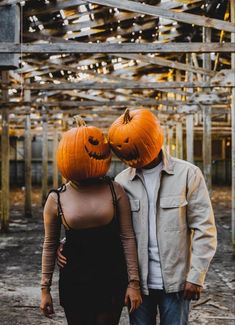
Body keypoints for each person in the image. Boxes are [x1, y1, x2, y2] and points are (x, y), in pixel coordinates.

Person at [58, 109, 217, 325]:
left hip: (177, 281)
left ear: (152, 137)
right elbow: (106, 226)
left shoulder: (188, 174)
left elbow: (204, 229)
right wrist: (69, 241)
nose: (126, 153)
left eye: (130, 145)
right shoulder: (121, 182)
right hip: (138, 284)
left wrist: (196, 276)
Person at [40, 116, 142, 325]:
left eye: (98, 143)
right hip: (75, 279)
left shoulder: (115, 191)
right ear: (65, 155)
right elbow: (49, 244)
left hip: (111, 276)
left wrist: (134, 283)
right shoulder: (56, 198)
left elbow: (127, 237)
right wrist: (45, 289)